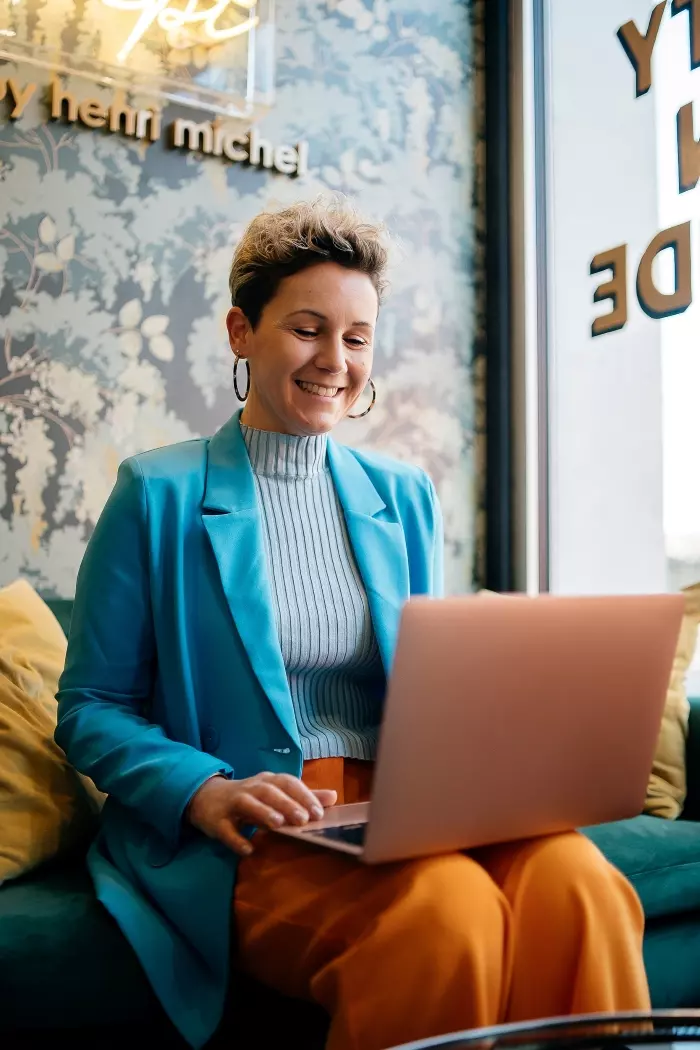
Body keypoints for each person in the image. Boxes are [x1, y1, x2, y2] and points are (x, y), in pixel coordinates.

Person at [56, 199, 650, 1050]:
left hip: (414, 809)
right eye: (307, 329)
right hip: (258, 829)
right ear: (240, 332)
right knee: (448, 910)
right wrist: (203, 789)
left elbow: (431, 689)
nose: (336, 361)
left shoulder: (402, 497)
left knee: (576, 878)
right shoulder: (158, 495)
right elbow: (90, 706)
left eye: (359, 338)